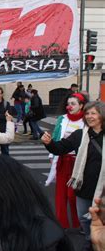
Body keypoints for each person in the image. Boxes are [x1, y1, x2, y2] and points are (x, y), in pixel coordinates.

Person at [41, 101, 105, 251]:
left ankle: (94, 247)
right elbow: (61, 148)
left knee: (101, 222)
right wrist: (49, 143)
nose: (89, 116)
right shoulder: (80, 135)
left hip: (103, 189)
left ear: (102, 115)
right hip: (83, 187)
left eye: (93, 113)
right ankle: (92, 244)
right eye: (87, 113)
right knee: (85, 220)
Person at [45, 93, 87, 229]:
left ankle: (78, 223)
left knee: (73, 196)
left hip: (78, 162)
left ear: (81, 106)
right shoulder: (62, 119)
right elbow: (57, 137)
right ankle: (61, 223)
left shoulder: (87, 121)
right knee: (60, 194)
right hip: (63, 159)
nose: (69, 107)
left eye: (73, 104)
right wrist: (52, 155)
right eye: (68, 104)